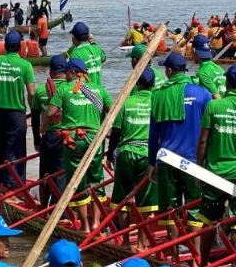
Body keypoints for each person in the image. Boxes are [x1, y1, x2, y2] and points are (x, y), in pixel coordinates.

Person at [148, 52, 211, 261]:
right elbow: (208, 132)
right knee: (195, 208)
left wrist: (151, 162)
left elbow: (153, 134)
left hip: (167, 159)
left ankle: (174, 257)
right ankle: (195, 260)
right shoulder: (202, 93)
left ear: (168, 71)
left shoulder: (158, 95)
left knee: (170, 210)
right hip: (194, 161)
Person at [42, 58, 113, 233]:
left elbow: (51, 112)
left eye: (67, 72)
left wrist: (42, 126)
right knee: (97, 179)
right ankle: (96, 223)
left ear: (73, 73)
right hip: (95, 139)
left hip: (74, 140)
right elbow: (112, 112)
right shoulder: (99, 90)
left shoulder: (64, 89)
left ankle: (86, 227)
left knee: (77, 181)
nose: (65, 75)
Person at [108, 67, 158, 250]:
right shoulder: (157, 102)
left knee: (122, 197)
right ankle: (142, 243)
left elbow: (116, 132)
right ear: (153, 84)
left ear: (137, 84)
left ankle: (126, 241)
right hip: (147, 155)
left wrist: (108, 154)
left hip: (126, 153)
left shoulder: (126, 102)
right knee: (146, 201)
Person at [0, 30, 35, 192]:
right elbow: (31, 93)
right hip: (16, 113)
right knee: (15, 150)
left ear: (5, 46)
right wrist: (34, 113)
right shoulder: (25, 65)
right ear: (19, 47)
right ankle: (12, 188)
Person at [196, 65, 236, 265]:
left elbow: (203, 141)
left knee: (208, 222)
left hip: (215, 174)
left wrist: (198, 170)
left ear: (227, 83)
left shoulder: (214, 106)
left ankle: (203, 263)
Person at [31, 55, 68, 208]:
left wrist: (36, 140)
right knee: (61, 175)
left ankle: (43, 207)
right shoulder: (71, 89)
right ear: (66, 71)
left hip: (47, 138)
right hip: (65, 138)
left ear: (51, 72)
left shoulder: (40, 90)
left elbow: (34, 118)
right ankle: (58, 209)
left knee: (45, 175)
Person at [192, 35, 226, 99]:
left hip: (215, 107)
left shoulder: (202, 73)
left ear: (194, 51)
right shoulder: (220, 69)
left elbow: (217, 97)